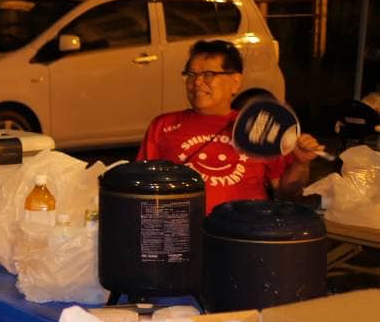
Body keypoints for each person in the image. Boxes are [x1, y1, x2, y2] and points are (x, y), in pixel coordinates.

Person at [137, 39, 320, 212]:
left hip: (244, 233)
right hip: (180, 233)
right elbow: (140, 186)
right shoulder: (163, 126)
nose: (197, 82)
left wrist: (301, 163)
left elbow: (285, 192)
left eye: (208, 74)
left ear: (236, 82)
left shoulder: (258, 127)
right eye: (190, 75)